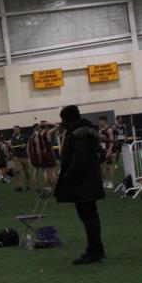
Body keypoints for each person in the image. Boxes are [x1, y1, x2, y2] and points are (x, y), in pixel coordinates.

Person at [54, 105, 106, 265]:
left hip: (83, 184)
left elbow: (79, 160)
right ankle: (96, 250)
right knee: (91, 218)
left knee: (89, 218)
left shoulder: (79, 134)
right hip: (88, 182)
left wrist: (67, 176)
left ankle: (94, 252)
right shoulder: (86, 132)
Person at [97, 116, 116, 190]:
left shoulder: (109, 130)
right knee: (101, 167)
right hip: (102, 150)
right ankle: (105, 181)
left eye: (100, 120)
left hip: (108, 150)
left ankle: (111, 182)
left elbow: (112, 140)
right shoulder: (100, 130)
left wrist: (110, 150)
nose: (99, 122)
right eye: (98, 120)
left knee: (109, 167)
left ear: (104, 121)